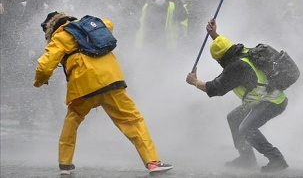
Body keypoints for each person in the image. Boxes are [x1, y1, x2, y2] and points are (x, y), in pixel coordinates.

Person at [33, 11, 173, 175]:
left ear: (51, 29)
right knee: (132, 120)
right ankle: (153, 162)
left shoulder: (60, 37)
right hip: (110, 82)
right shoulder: (88, 27)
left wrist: (40, 81)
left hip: (83, 87)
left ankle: (65, 164)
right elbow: (109, 24)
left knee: (71, 122)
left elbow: (44, 65)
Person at [186, 19, 289, 173]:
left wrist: (195, 82)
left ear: (220, 59)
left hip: (272, 101)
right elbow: (224, 48)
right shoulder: (241, 51)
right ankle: (246, 158)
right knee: (234, 118)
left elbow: (214, 89)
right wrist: (214, 35)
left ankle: (276, 159)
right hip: (263, 99)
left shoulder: (236, 68)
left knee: (247, 128)